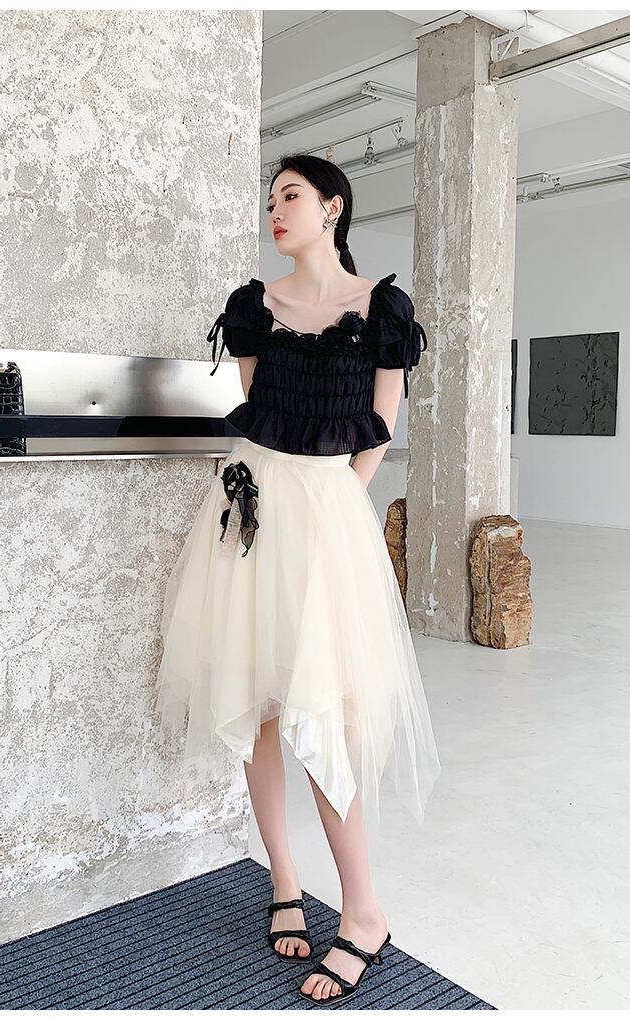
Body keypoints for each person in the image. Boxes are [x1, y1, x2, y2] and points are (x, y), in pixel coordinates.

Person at [154, 153, 441, 1005]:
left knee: (322, 714)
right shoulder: (254, 306)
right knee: (259, 704)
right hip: (249, 514)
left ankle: (363, 913)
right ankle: (284, 879)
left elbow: (378, 428)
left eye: (291, 196)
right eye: (270, 199)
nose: (275, 211)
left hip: (327, 518)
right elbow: (259, 422)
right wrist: (271, 509)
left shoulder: (382, 310)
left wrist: (334, 515)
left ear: (332, 208)